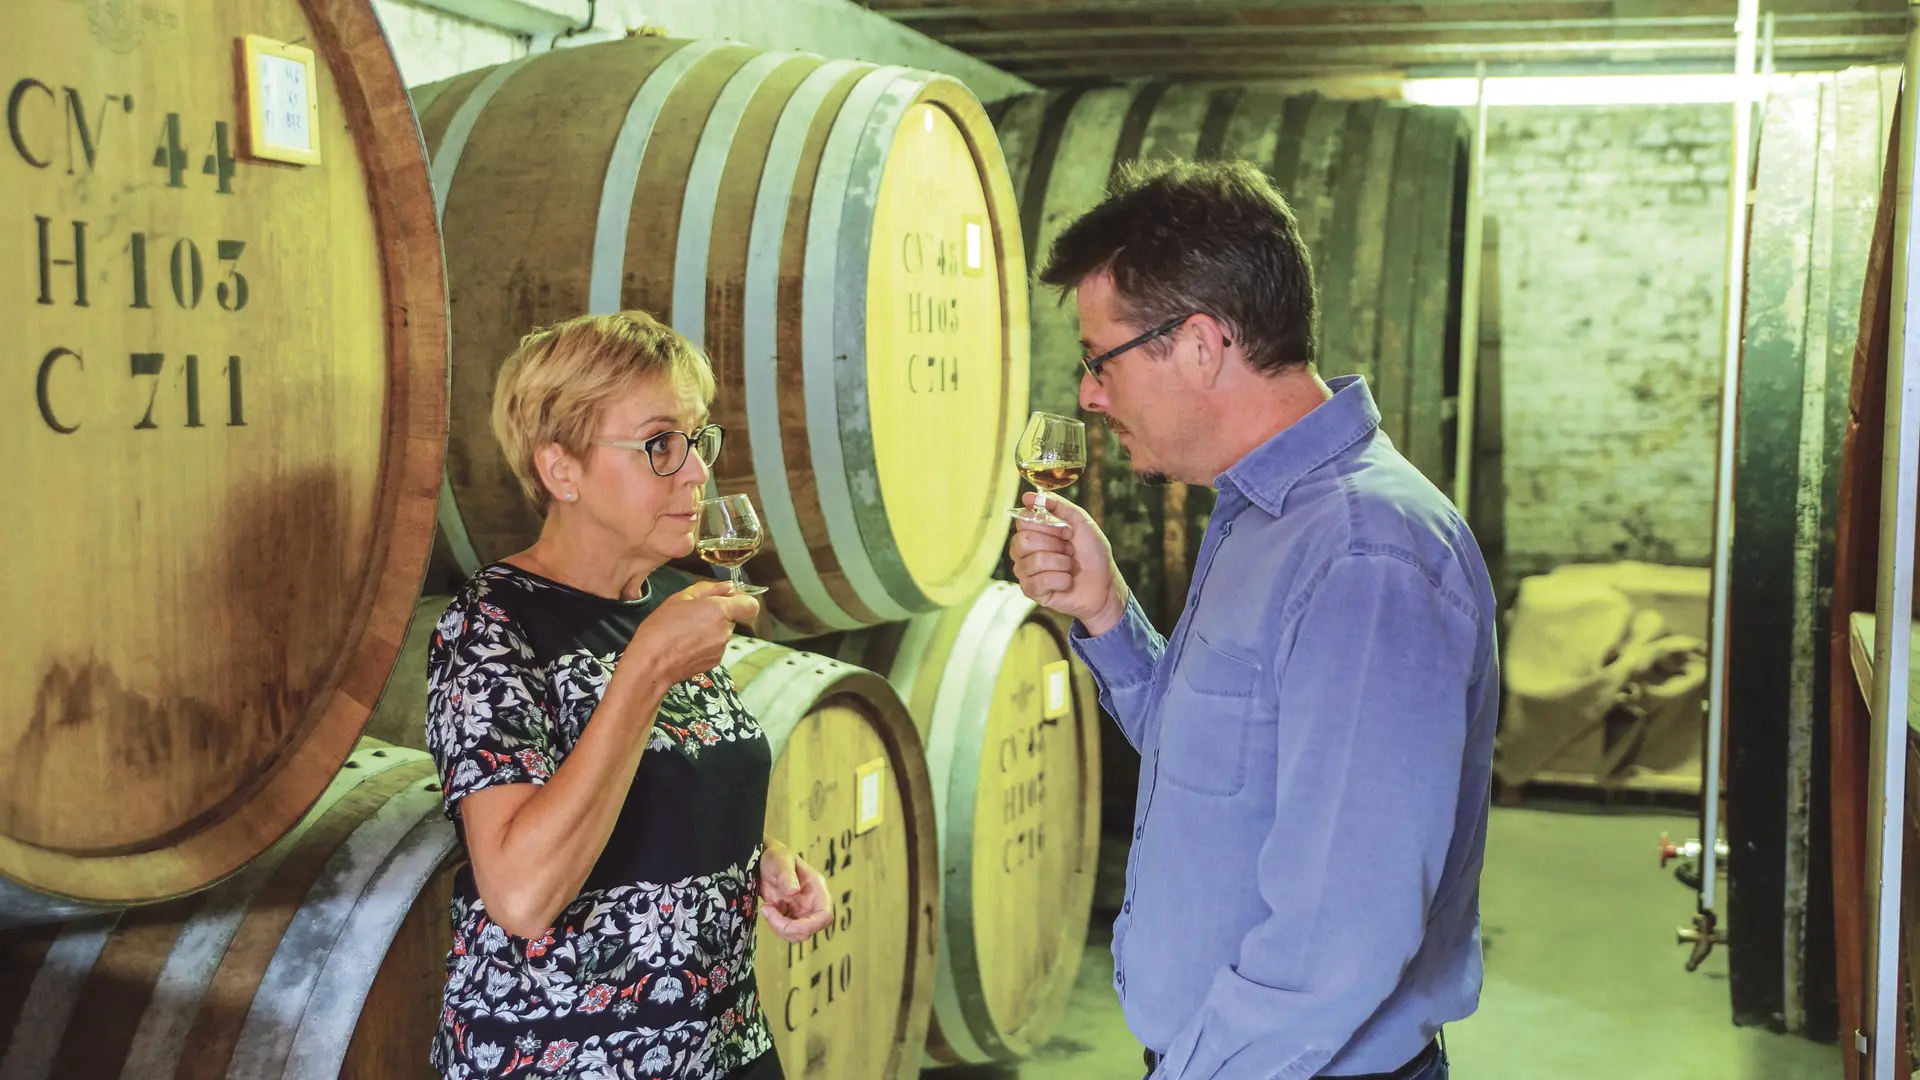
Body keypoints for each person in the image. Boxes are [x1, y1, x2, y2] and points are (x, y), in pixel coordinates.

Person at [1007, 158, 1499, 1080]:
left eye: (1100, 360)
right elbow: (1218, 769)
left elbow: (1337, 941)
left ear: (1200, 344)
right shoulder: (1261, 515)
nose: (1088, 394)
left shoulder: (1364, 555)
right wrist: (1108, 611)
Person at [423, 311, 832, 1080]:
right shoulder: (493, 625)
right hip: (565, 1059)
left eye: (697, 440)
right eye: (659, 445)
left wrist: (757, 859)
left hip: (723, 1045)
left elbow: (656, 792)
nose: (696, 473)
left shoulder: (665, 600)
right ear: (561, 470)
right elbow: (521, 893)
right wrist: (643, 674)